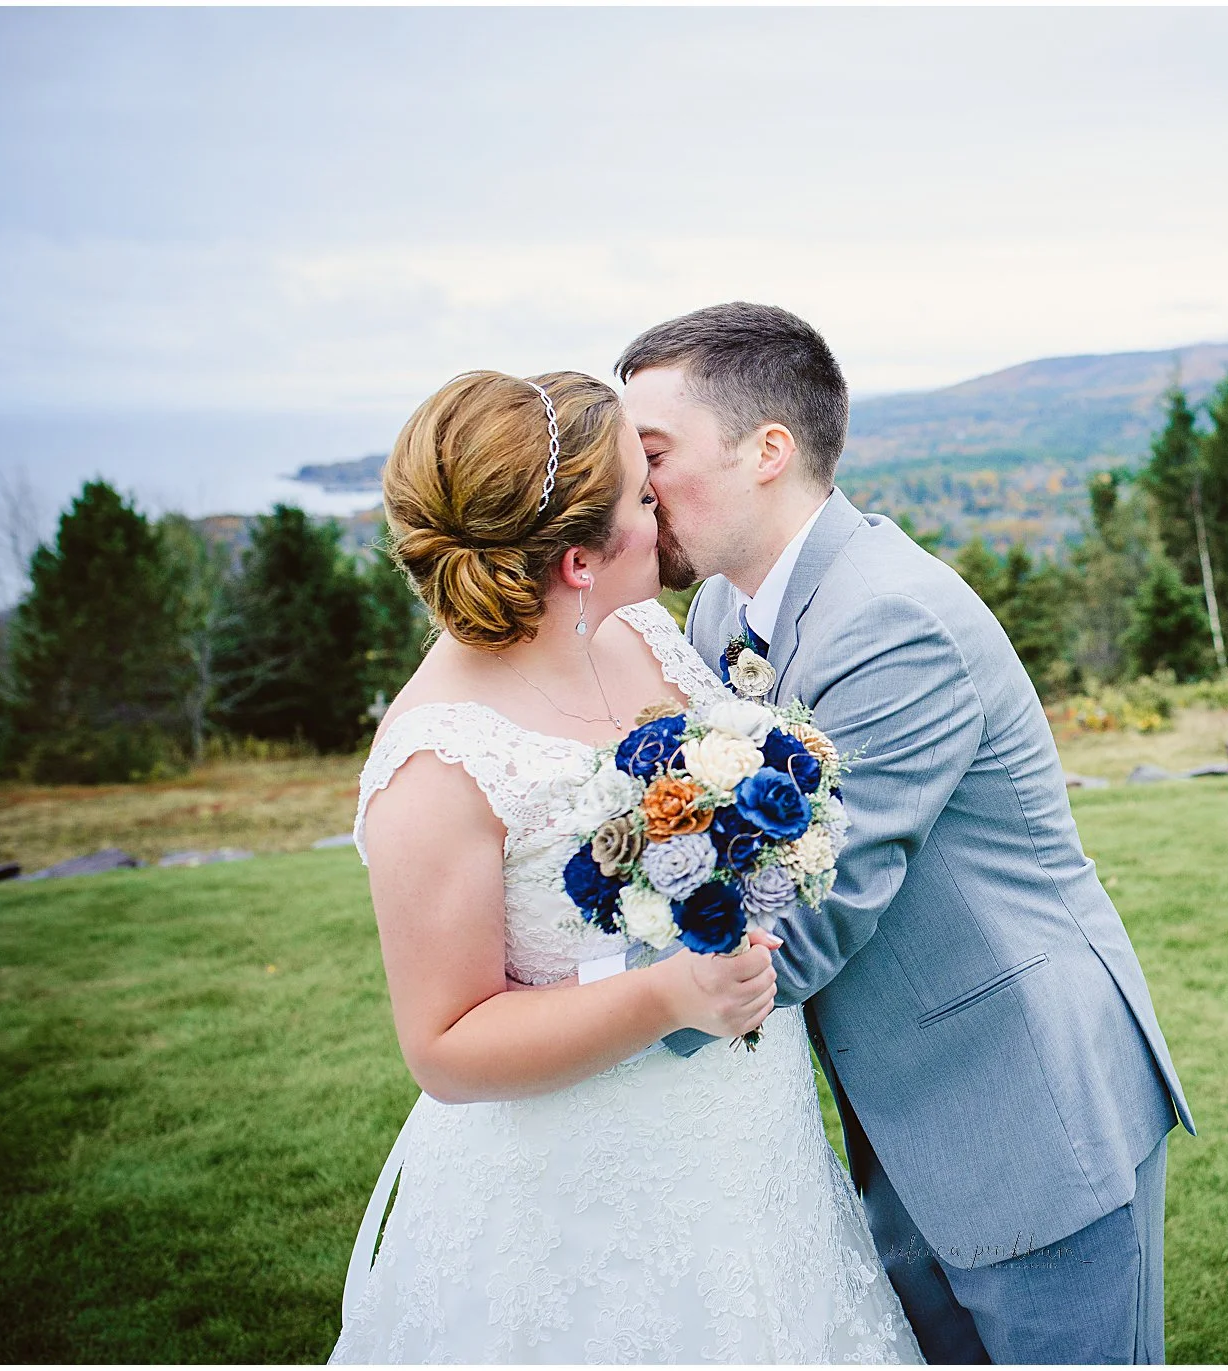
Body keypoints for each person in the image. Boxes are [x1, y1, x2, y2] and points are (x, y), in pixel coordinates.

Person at [602, 303, 1195, 1364]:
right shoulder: (711, 620)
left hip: (1024, 1113)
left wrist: (578, 1020)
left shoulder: (889, 621)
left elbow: (812, 920)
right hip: (896, 1126)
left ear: (766, 451)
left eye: (652, 455)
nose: (637, 492)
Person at [330, 368, 922, 1364]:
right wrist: (664, 997)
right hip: (580, 1198)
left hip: (743, 1144)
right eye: (643, 497)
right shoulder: (437, 764)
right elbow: (443, 1044)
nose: (664, 511)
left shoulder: (644, 630)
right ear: (575, 563)